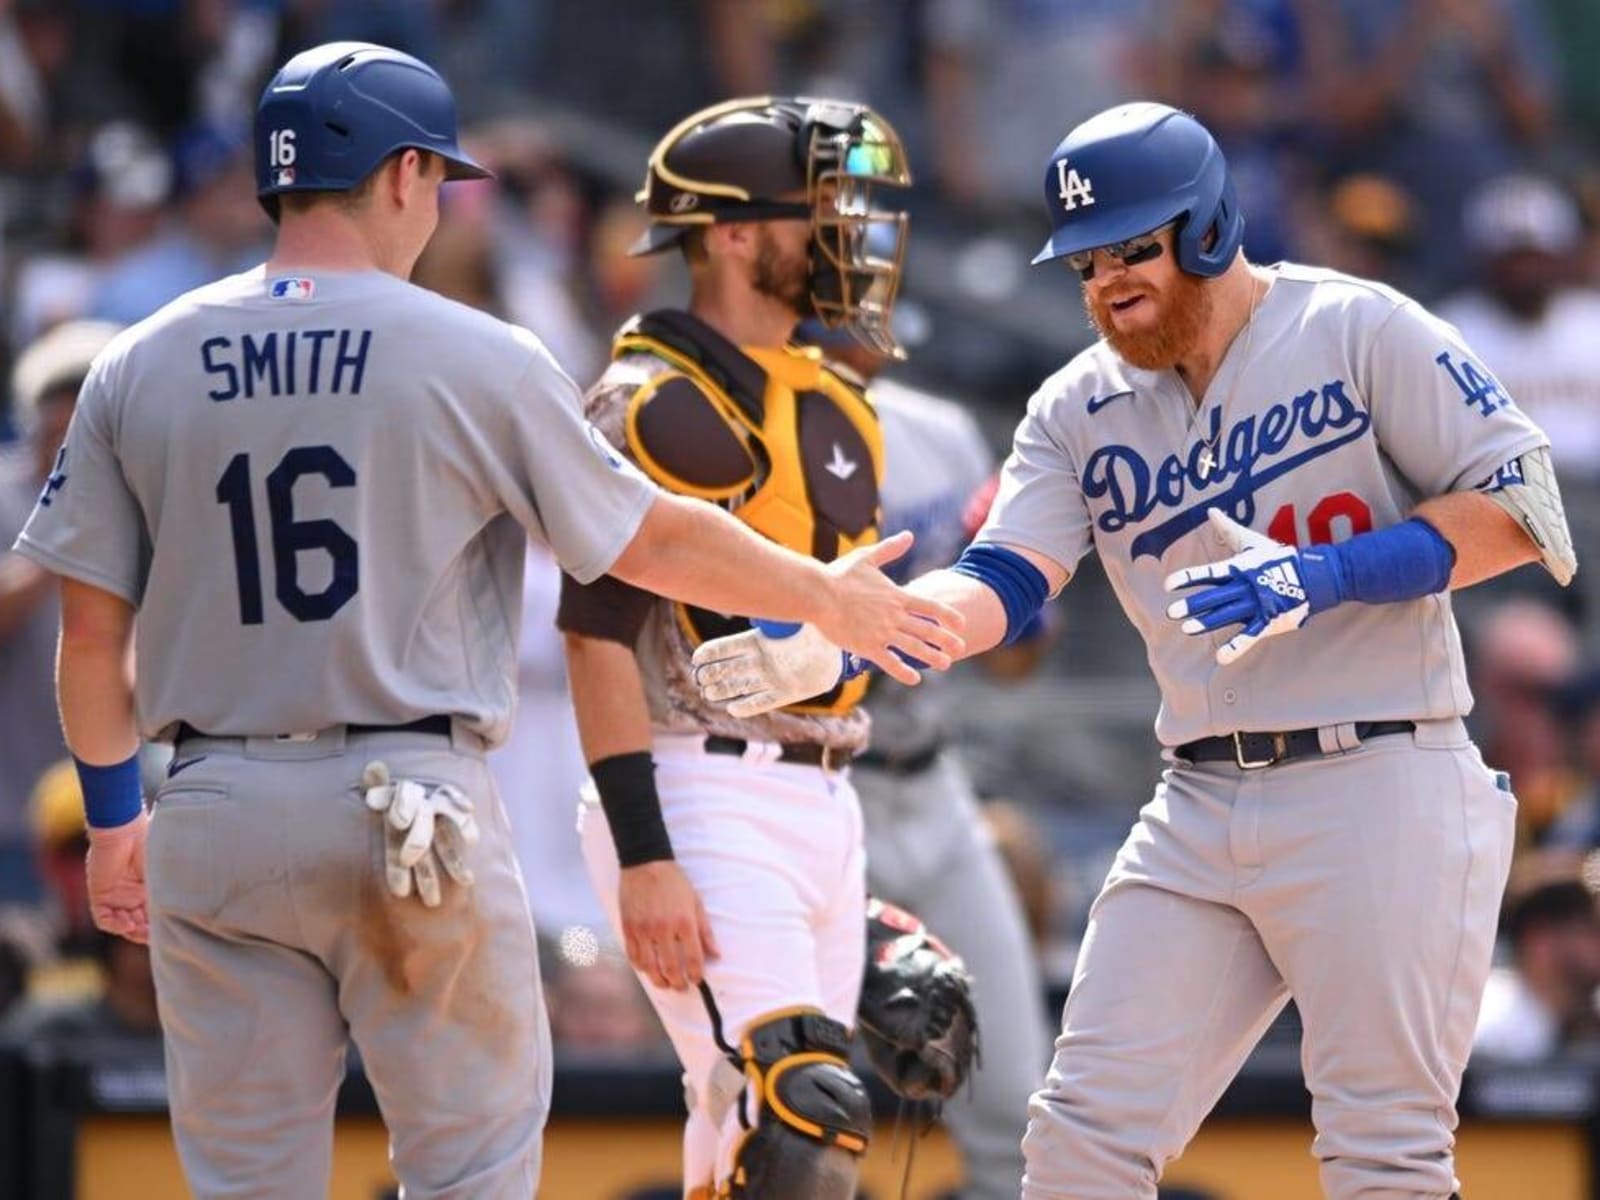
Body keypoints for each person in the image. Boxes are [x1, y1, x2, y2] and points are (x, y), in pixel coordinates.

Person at [9, 44, 960, 1200]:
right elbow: (644, 540)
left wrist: (116, 824)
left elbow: (93, 639)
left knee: (246, 1183)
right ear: (405, 172)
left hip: (213, 803)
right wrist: (823, 593)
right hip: (412, 808)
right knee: (468, 1174)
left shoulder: (134, 363)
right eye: (440, 177)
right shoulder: (473, 351)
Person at [692, 101, 1577, 1199]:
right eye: (1082, 262)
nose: (1104, 281)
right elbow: (1005, 580)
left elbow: (1527, 506)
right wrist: (855, 628)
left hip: (1381, 772)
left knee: (1382, 1153)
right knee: (1078, 1143)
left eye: (1128, 249)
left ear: (1205, 228)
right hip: (1200, 799)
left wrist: (1326, 574)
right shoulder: (1077, 406)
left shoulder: (1355, 327)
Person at [559, 95, 917, 1199]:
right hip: (689, 783)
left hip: (825, 795)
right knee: (793, 1111)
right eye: (817, 214)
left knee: (745, 1123)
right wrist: (645, 854)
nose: (846, 238)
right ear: (729, 234)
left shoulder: (841, 401)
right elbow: (593, 636)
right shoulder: (651, 402)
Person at [799, 316, 1052, 1199]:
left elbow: (1021, 660)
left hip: (932, 786)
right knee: (801, 1118)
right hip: (814, 785)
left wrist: (1017, 589)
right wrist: (901, 617)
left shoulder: (939, 433)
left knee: (1021, 1106)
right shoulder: (752, 434)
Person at [0, 320, 122, 904]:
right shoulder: (3, 493)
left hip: (130, 798)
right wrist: (65, 531)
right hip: (15, 808)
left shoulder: (156, 495)